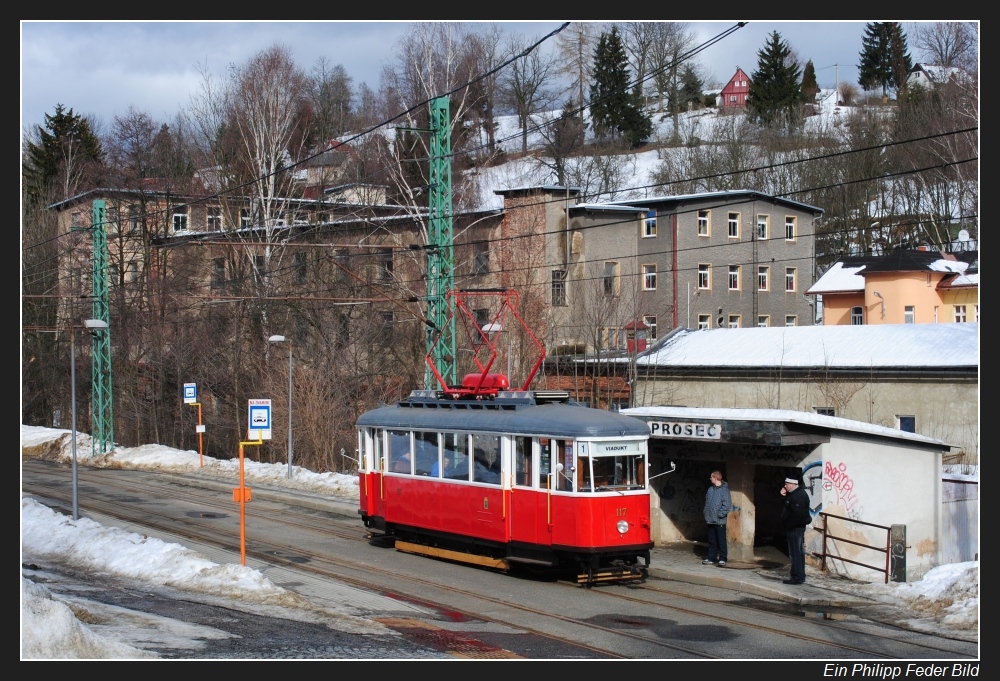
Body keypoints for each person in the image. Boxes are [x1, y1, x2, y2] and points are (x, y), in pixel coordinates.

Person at [780, 476, 812, 584]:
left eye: (787, 484)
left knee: (795, 553)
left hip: (795, 528)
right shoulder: (794, 494)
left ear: (793, 484)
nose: (785, 486)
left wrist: (788, 525)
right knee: (798, 552)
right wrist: (784, 496)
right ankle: (799, 575)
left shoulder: (798, 495)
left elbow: (796, 514)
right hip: (796, 527)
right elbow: (788, 507)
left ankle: (797, 577)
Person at [702, 470, 732, 566]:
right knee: (712, 540)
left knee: (721, 540)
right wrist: (706, 512)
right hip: (710, 519)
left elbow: (727, 505)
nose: (710, 479)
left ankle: (723, 558)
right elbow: (707, 503)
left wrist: (720, 514)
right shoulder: (710, 490)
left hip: (720, 520)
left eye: (711, 477)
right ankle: (711, 557)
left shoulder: (724, 490)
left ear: (715, 478)